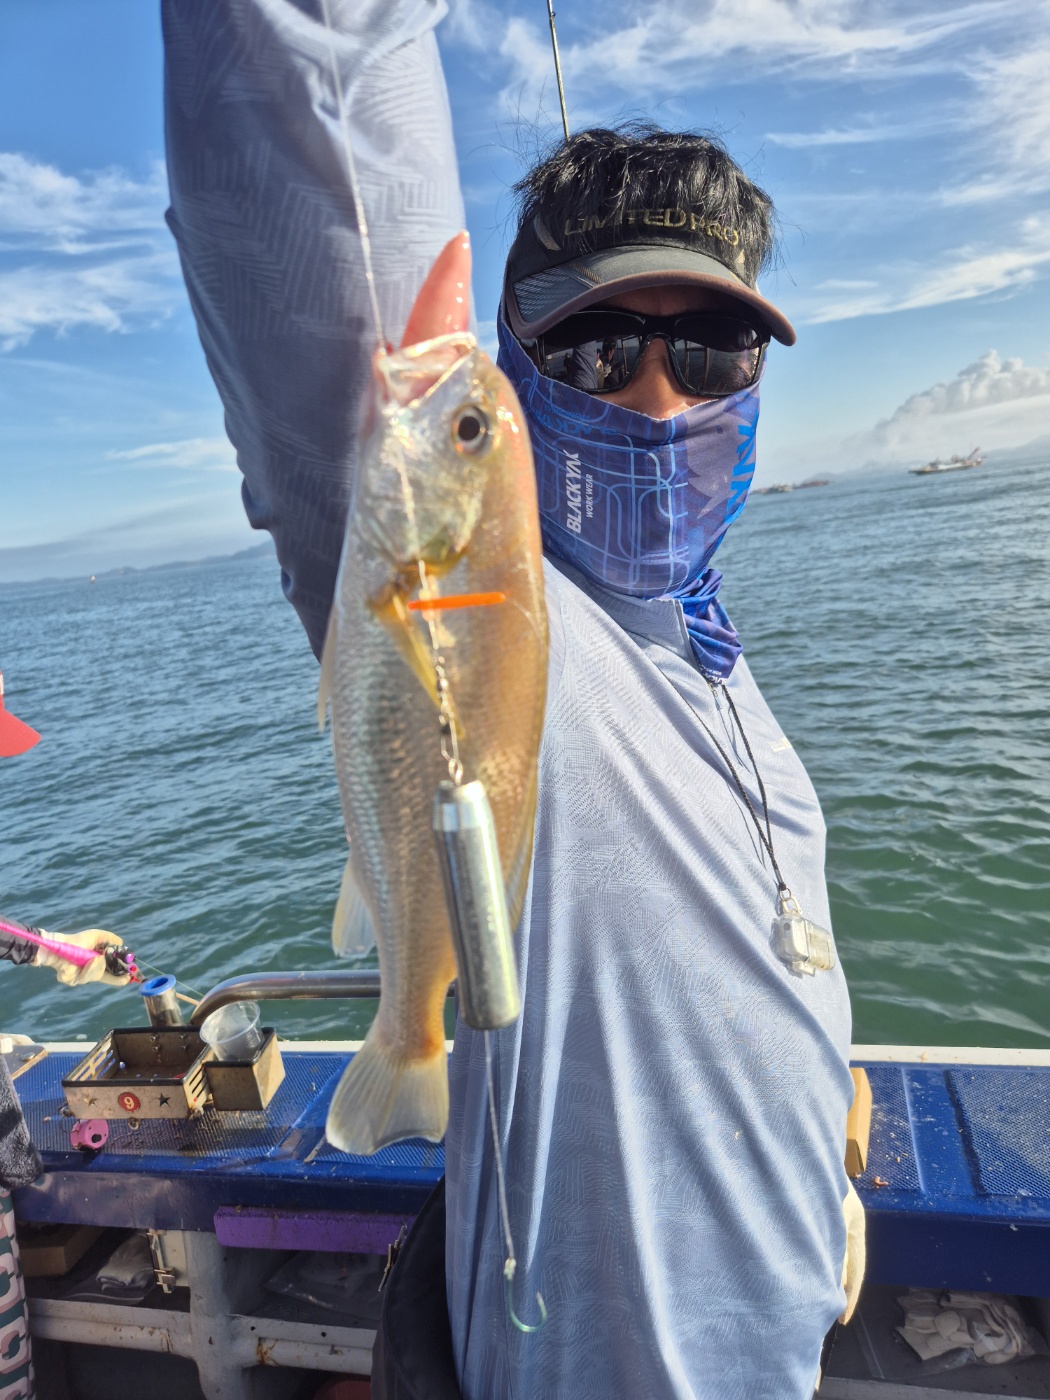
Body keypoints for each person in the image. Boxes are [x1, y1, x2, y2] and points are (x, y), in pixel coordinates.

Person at [162, 3, 863, 1396]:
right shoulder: (488, 602)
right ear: (515, 368)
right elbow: (311, 172)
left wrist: (822, 1156)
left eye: (713, 354)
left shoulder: (718, 668)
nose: (657, 401)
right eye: (596, 352)